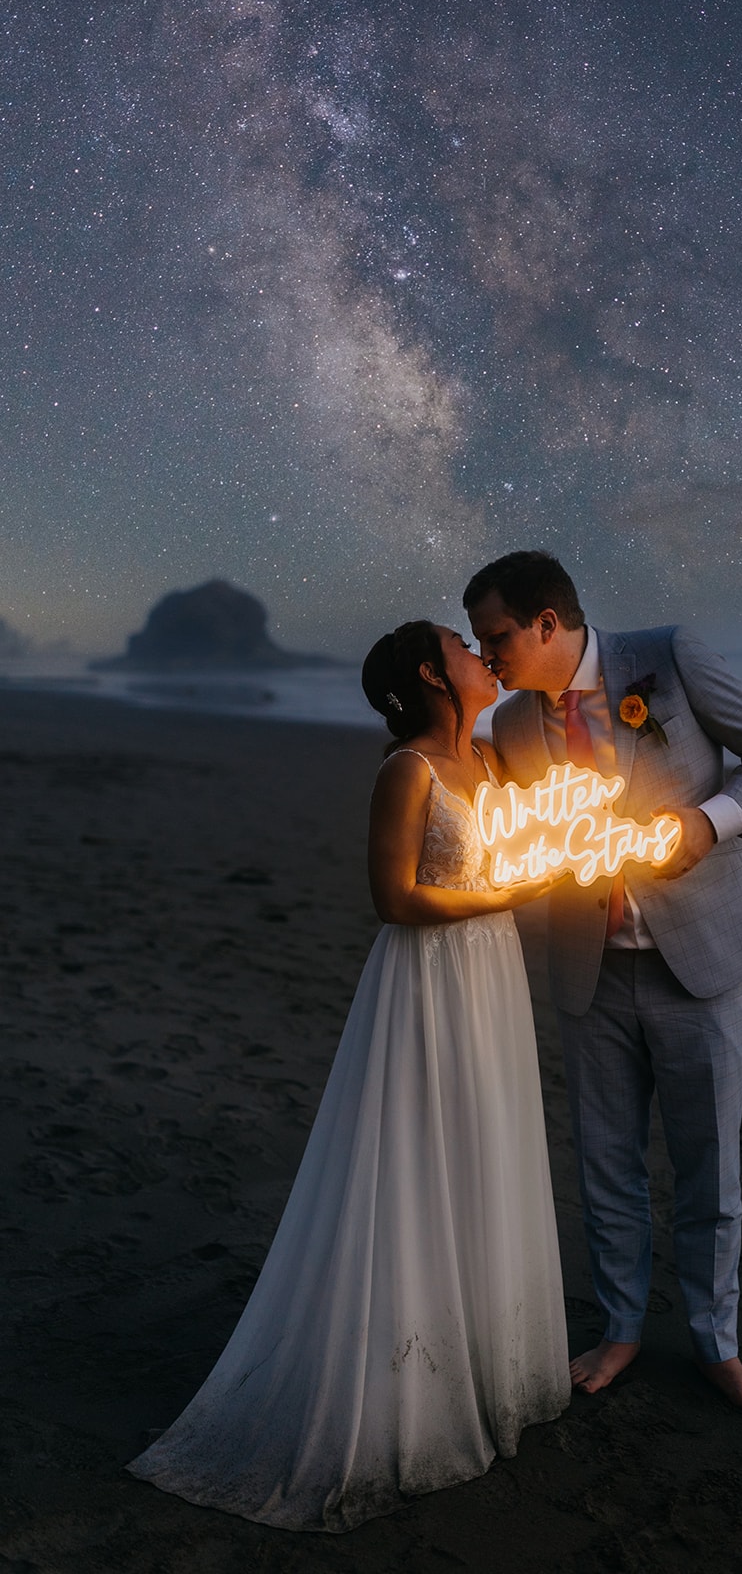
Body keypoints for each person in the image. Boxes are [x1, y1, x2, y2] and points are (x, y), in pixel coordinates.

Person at [126, 620, 570, 1531]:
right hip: (431, 978)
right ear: (428, 673)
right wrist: (513, 895)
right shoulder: (407, 771)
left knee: (488, 1145)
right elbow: (396, 898)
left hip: (492, 977)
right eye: (461, 644)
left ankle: (487, 1363)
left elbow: (535, 829)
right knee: (420, 1153)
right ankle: (406, 1384)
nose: (480, 654)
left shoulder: (490, 761)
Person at [464, 552, 742, 1417]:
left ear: (547, 622)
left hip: (704, 958)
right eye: (476, 640)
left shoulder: (668, 655)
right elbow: (504, 838)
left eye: (496, 634)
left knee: (708, 1168)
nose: (488, 650)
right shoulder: (507, 726)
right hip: (589, 968)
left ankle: (716, 1344)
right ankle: (619, 1328)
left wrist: (708, 819)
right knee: (605, 1164)